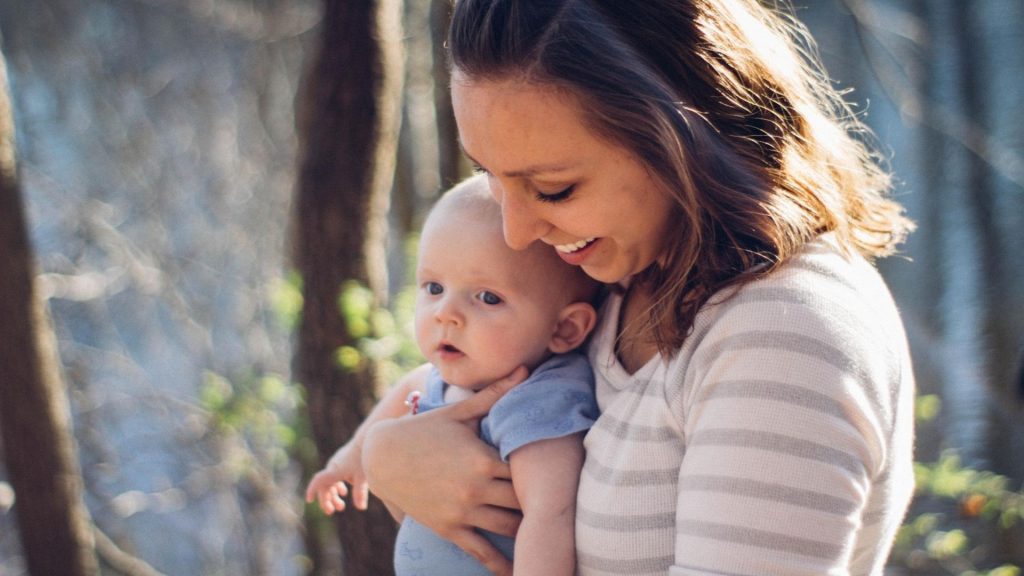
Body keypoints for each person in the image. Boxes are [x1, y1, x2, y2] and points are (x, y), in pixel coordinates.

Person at [360, 1, 918, 575]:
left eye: (553, 189)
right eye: (489, 176)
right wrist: (389, 452)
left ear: (684, 136)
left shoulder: (784, 333)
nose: (516, 233)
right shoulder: (624, 274)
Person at [305, 176, 602, 575]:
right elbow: (405, 389)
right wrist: (348, 461)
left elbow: (551, 515)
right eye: (433, 287)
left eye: (488, 297)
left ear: (565, 329)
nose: (446, 312)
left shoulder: (538, 402)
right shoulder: (442, 379)